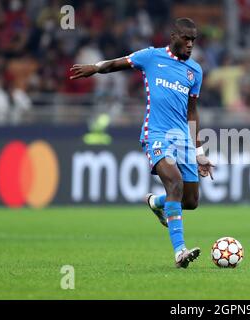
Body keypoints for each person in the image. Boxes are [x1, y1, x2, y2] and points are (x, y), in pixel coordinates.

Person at [69, 18, 214, 269]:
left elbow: (192, 112)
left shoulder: (195, 71)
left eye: (194, 40)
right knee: (175, 184)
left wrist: (199, 151)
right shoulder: (151, 57)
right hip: (156, 134)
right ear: (174, 36)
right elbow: (119, 63)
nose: (190, 45)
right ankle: (180, 251)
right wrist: (95, 67)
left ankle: (157, 203)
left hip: (182, 138)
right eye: (186, 39)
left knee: (190, 201)